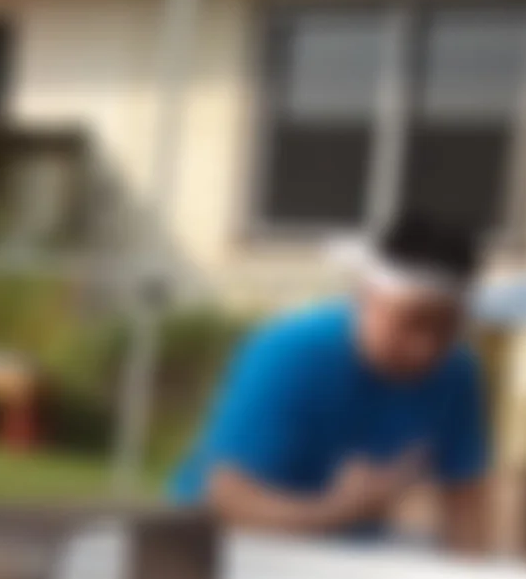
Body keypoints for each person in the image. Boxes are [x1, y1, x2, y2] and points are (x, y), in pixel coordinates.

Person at [170, 212, 491, 549]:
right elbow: (226, 498)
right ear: (366, 298)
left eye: (446, 329)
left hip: (352, 549)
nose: (425, 348)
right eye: (411, 323)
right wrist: (339, 511)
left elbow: (465, 500)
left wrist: (474, 576)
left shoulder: (457, 370)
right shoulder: (291, 352)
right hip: (227, 545)